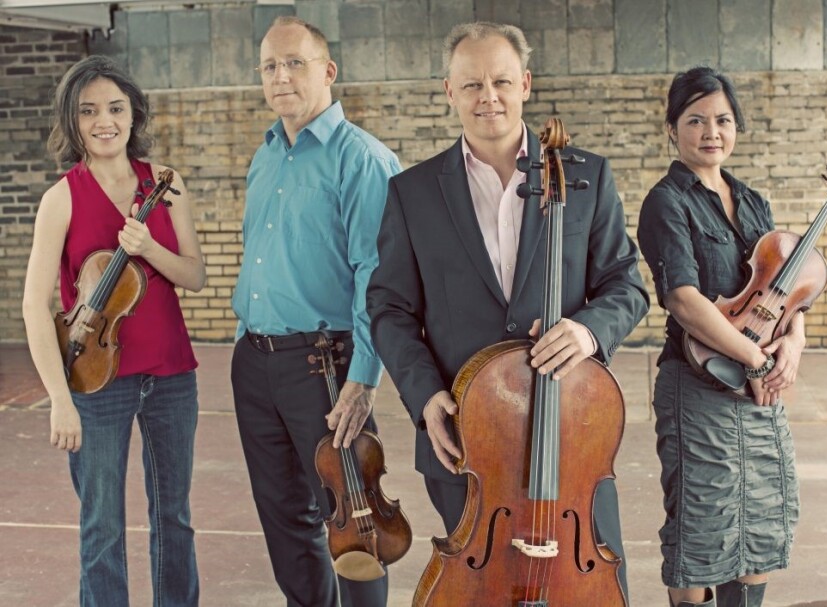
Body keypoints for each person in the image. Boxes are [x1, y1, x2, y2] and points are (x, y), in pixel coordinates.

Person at [367, 21, 649, 601]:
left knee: (587, 586)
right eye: (471, 84)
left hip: (572, 434)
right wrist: (425, 397)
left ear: (524, 83)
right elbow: (390, 308)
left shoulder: (588, 176)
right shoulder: (411, 192)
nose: (487, 96)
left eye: (500, 80)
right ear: (448, 91)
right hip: (469, 441)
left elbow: (627, 284)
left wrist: (588, 332)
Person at [230, 16, 401, 607]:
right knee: (283, 519)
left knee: (352, 518)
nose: (281, 76)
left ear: (328, 71)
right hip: (254, 363)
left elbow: (376, 280)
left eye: (294, 63)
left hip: (325, 367)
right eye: (270, 66)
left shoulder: (363, 161)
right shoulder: (266, 156)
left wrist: (362, 380)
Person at [21, 55, 205, 606]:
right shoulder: (61, 198)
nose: (105, 120)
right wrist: (59, 398)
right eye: (89, 110)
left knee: (174, 516)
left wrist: (150, 248)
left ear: (133, 114)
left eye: (116, 108)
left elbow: (194, 275)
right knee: (102, 524)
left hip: (172, 375)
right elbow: (35, 306)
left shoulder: (166, 186)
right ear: (72, 121)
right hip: (95, 381)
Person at [637, 66, 803, 607]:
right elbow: (684, 300)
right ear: (672, 128)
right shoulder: (667, 202)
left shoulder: (752, 200)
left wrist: (792, 345)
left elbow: (785, 287)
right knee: (702, 521)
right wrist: (755, 357)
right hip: (696, 382)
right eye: (697, 120)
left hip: (758, 385)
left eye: (723, 119)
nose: (712, 131)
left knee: (761, 513)